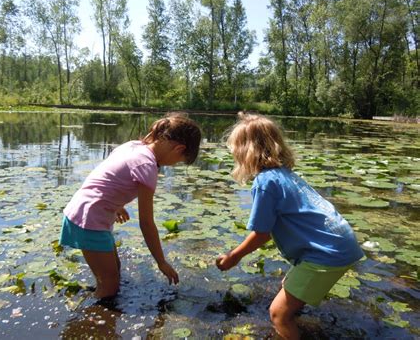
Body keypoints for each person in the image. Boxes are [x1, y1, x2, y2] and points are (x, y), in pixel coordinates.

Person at [215, 112, 364, 340]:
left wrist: (233, 256)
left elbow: (262, 234)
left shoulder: (265, 182)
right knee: (287, 287)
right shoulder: (285, 175)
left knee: (278, 315)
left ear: (247, 151)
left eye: (236, 149)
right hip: (340, 242)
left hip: (326, 253)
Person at [60, 112, 201, 301]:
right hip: (90, 219)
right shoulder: (147, 166)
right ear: (179, 149)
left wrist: (117, 205)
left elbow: (108, 177)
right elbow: (146, 223)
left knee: (114, 270)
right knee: (109, 285)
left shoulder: (134, 146)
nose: (174, 165)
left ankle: (100, 309)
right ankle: (93, 319)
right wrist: (161, 262)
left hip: (86, 209)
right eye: (179, 161)